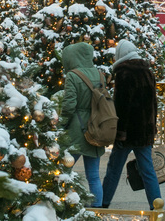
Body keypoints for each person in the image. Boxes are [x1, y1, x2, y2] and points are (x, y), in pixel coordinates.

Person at [101, 40, 161, 210]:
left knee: (114, 168)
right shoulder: (148, 72)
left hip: (128, 133)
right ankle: (156, 205)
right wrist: (152, 127)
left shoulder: (124, 74)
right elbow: (153, 103)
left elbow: (122, 106)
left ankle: (103, 203)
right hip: (144, 131)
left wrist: (120, 132)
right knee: (148, 170)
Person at [61, 42, 106, 207]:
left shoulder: (73, 76)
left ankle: (66, 204)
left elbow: (69, 105)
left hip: (77, 129)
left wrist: (61, 124)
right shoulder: (100, 75)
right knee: (93, 176)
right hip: (96, 128)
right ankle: (97, 210)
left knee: (64, 170)